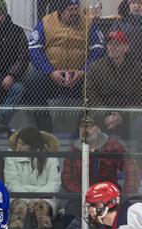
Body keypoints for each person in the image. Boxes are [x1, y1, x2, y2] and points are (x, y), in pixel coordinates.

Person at [24, 0, 104, 132]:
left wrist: (84, 71)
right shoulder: (46, 22)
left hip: (79, 78)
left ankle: (80, 133)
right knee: (32, 84)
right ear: (61, 10)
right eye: (70, 10)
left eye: (76, 9)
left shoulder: (88, 23)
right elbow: (34, 48)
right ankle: (46, 132)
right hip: (52, 77)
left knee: (95, 88)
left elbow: (98, 49)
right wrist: (50, 71)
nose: (74, 13)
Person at [86, 30, 142, 167]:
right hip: (103, 120)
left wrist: (122, 116)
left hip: (128, 121)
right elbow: (90, 96)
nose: (112, 47)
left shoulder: (139, 70)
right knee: (85, 125)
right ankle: (91, 169)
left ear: (126, 47)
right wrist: (105, 116)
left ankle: (140, 165)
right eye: (110, 44)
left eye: (117, 44)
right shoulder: (95, 68)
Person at [62, 114, 141, 196]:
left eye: (90, 127)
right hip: (82, 197)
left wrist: (125, 196)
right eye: (82, 127)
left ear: (98, 129)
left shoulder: (112, 145)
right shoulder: (73, 151)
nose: (85, 130)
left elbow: (132, 171)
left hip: (109, 196)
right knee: (71, 204)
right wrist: (87, 196)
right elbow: (68, 180)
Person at [5, 126, 61, 229]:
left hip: (46, 198)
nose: (18, 147)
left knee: (41, 207)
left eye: (23, 145)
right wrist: (29, 200)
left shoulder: (51, 157)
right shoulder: (11, 155)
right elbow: (12, 184)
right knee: (20, 206)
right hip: (17, 197)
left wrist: (35, 199)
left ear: (33, 146)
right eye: (18, 143)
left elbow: (54, 185)